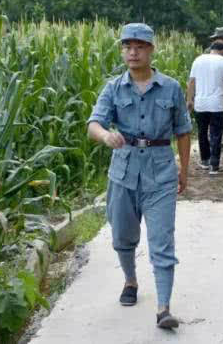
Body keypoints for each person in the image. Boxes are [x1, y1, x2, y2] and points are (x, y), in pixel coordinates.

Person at [87, 23, 192, 329]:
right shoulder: (113, 88)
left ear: (151, 50)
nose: (133, 52)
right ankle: (130, 281)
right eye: (127, 47)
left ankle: (163, 308)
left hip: (160, 172)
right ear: (122, 50)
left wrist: (184, 170)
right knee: (122, 235)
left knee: (162, 240)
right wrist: (106, 136)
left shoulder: (171, 87)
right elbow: (94, 123)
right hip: (124, 171)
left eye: (140, 46)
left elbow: (183, 132)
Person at [187, 42, 223, 175]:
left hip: (200, 104)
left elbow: (191, 82)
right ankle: (214, 166)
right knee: (216, 134)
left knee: (202, 133)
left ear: (211, 50)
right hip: (217, 104)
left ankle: (205, 161)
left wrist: (189, 99)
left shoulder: (198, 60)